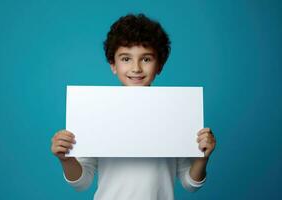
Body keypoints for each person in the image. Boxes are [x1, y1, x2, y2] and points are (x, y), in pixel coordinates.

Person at [51, 13, 216, 200]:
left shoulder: (175, 113)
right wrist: (66, 159)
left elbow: (190, 183)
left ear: (159, 65)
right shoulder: (97, 110)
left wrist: (203, 157)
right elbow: (82, 182)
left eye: (146, 59)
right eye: (125, 58)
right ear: (113, 65)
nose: (136, 68)